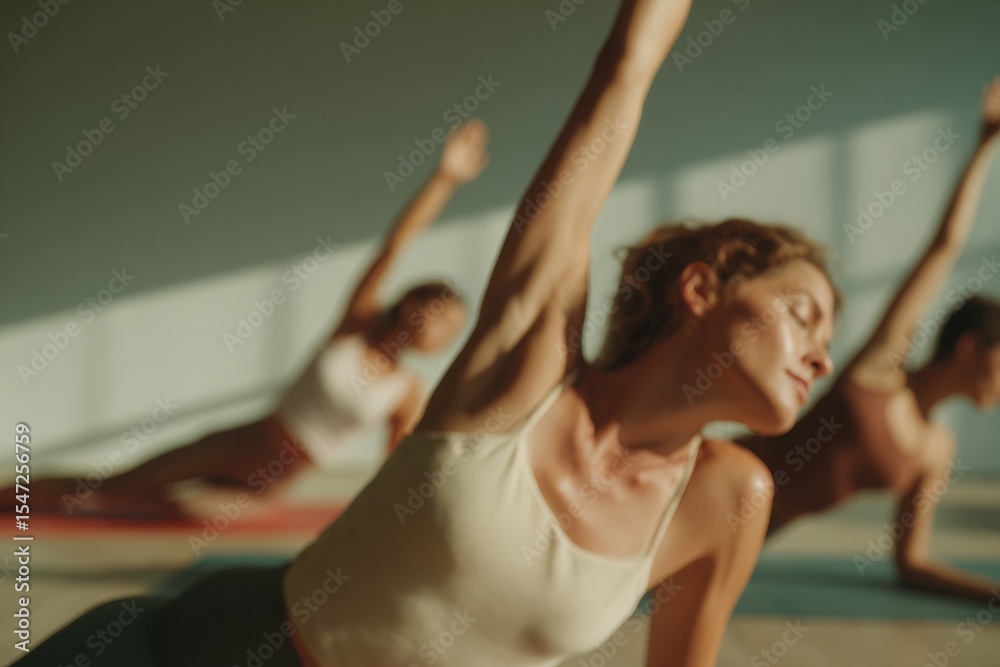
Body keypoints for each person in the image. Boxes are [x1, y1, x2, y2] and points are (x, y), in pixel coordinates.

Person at [13, 0, 840, 664]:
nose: (823, 351)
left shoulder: (729, 498)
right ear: (701, 287)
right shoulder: (527, 370)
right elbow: (620, 79)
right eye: (803, 312)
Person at [11, 120, 487, 519]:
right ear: (409, 302)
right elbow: (394, 246)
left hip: (269, 480)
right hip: (244, 439)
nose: (435, 323)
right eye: (435, 307)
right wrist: (444, 180)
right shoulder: (355, 326)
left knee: (163, 513)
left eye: (450, 324)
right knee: (116, 488)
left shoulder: (405, 393)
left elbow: (392, 470)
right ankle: (12, 500)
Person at [740, 77, 1000, 602]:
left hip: (749, 539)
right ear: (971, 347)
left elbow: (912, 563)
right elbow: (943, 248)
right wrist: (986, 145)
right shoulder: (882, 369)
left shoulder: (936, 451)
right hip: (715, 477)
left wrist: (993, 593)